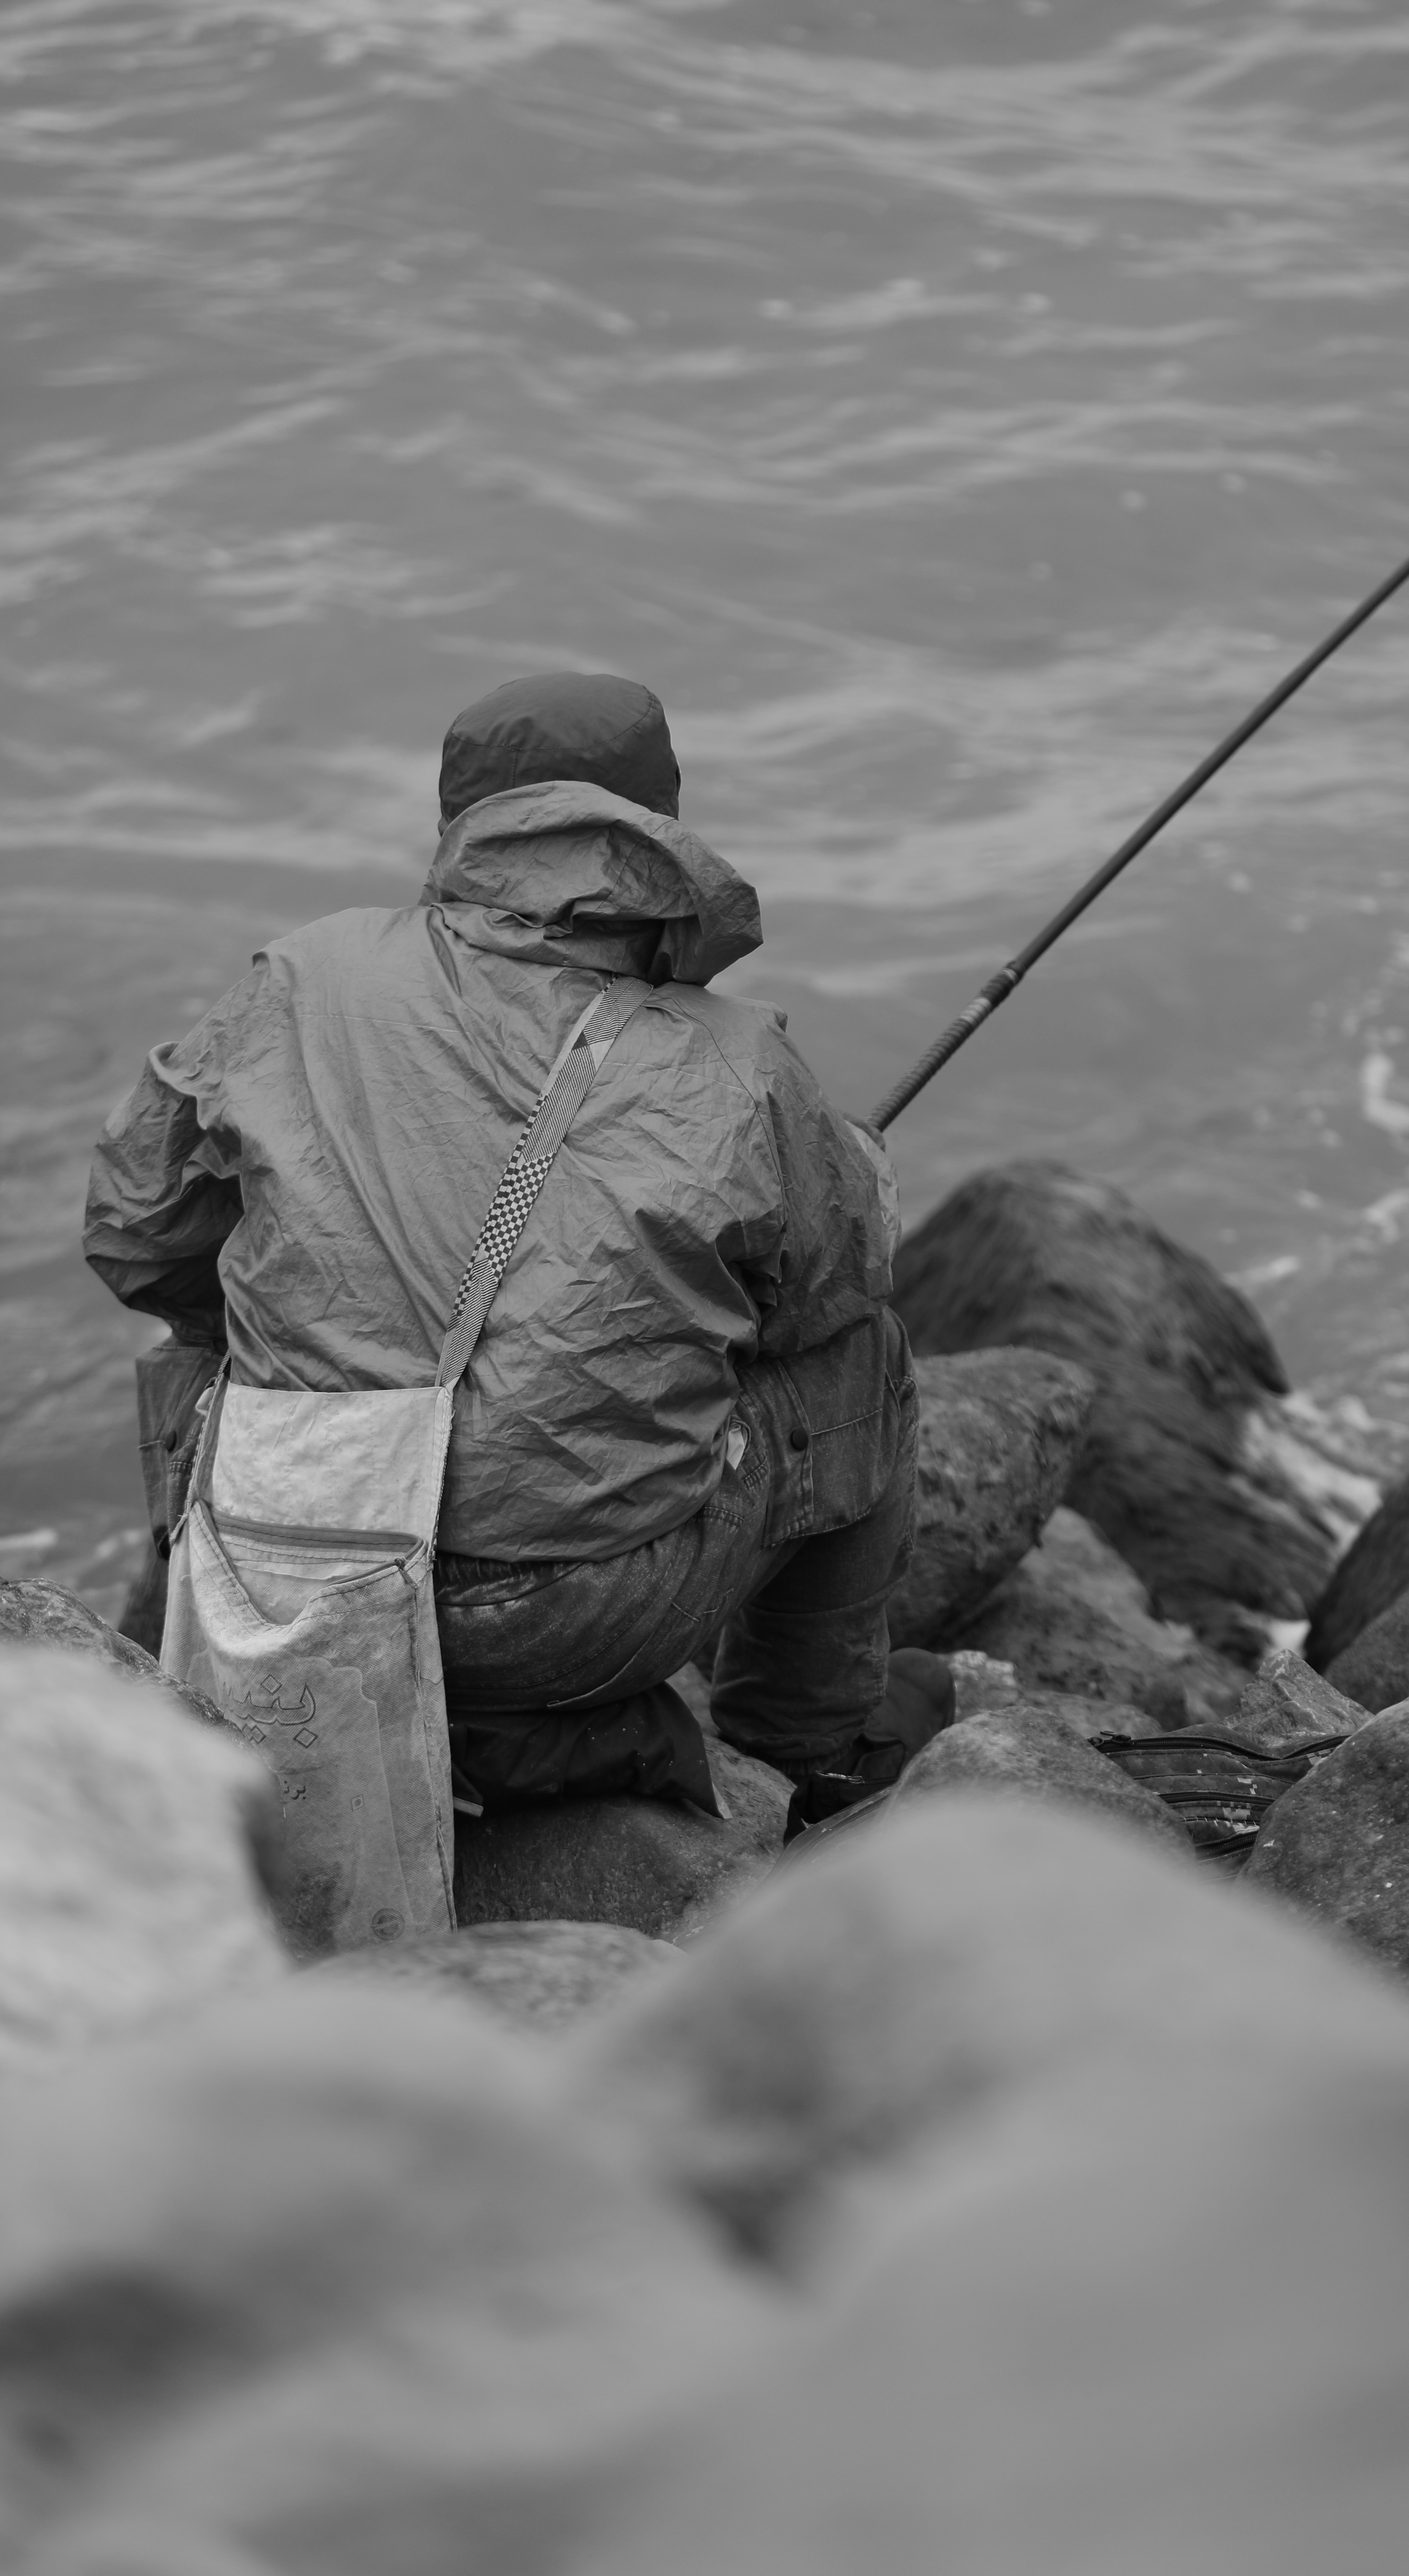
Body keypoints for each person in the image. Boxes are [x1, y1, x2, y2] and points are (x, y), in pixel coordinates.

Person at [83, 673, 918, 1816]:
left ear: (459, 823)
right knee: (865, 1363)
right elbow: (830, 1295)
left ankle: (268, 1695)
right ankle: (804, 1748)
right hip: (558, 1621)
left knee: (210, 1360)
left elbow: (136, 1235)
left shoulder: (300, 976)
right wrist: (847, 1165)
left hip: (289, 1580)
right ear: (662, 833)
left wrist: (312, 1325)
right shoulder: (736, 1062)